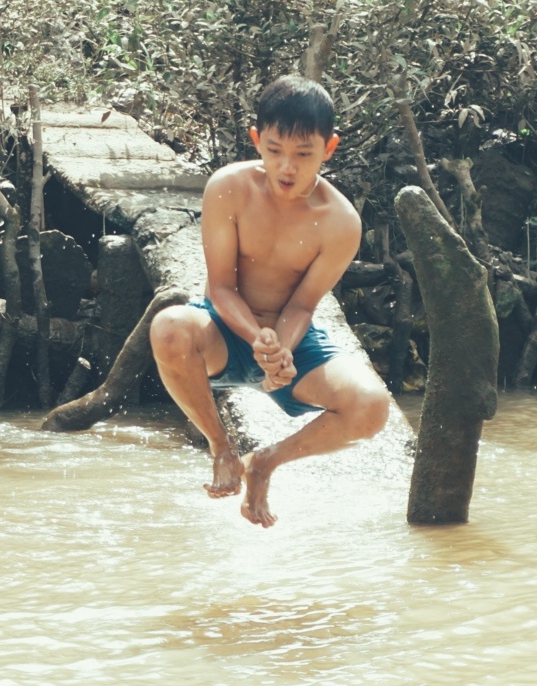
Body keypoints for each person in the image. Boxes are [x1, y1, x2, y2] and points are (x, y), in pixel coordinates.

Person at [150, 76, 390, 527]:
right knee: (168, 326)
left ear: (329, 149)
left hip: (293, 341)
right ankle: (222, 447)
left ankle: (263, 463)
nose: (287, 168)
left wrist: (279, 349)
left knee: (372, 406)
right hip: (223, 329)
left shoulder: (341, 222)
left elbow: (302, 306)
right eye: (275, 150)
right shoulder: (228, 188)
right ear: (257, 141)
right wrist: (257, 339)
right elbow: (221, 287)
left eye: (304, 155)